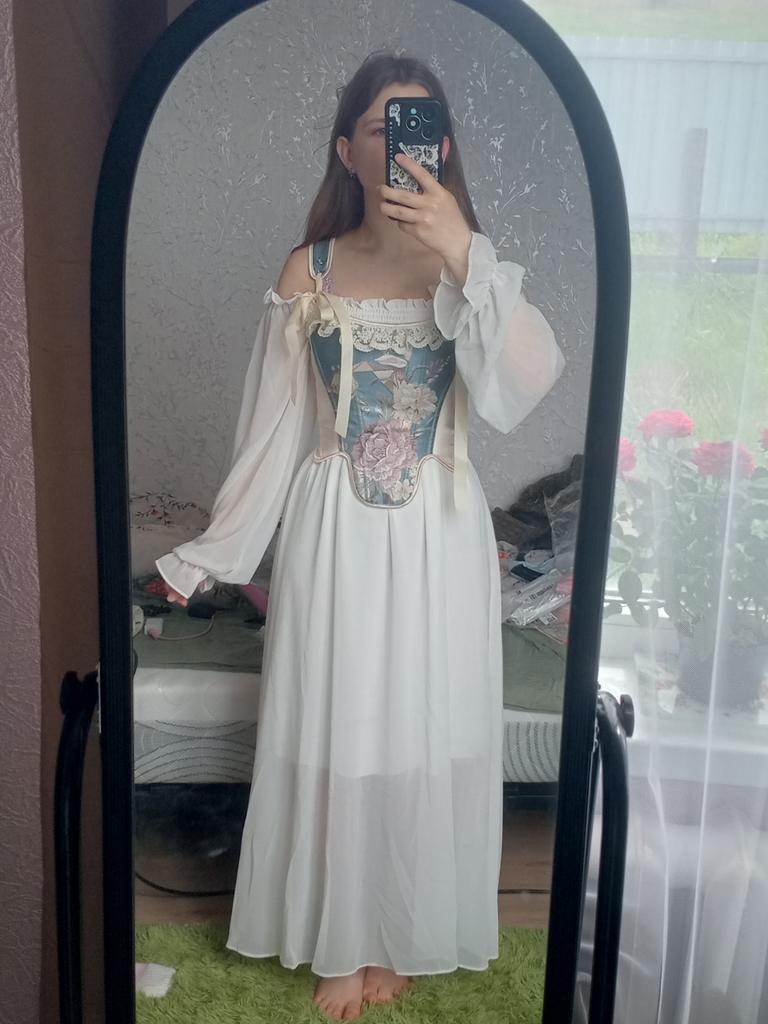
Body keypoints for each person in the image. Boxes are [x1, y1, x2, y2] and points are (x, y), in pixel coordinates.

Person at [156, 51, 564, 1023]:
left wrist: (464, 248)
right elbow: (271, 431)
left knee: (422, 728)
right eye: (382, 127)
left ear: (444, 147)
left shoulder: (471, 267)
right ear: (347, 149)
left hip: (440, 532)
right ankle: (343, 936)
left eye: (421, 127)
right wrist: (209, 554)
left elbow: (528, 380)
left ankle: (398, 927)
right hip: (334, 526)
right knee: (339, 723)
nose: (401, 146)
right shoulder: (310, 269)